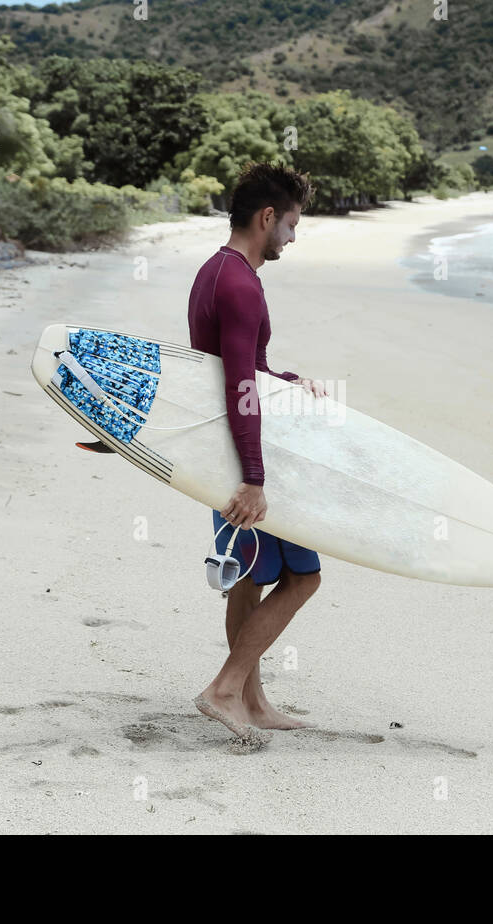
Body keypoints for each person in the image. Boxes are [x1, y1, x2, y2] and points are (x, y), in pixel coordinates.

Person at [186, 161, 327, 743]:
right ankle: (225, 690)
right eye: (291, 225)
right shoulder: (239, 283)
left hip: (236, 445)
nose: (292, 239)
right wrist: (253, 478)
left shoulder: (219, 272)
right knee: (293, 578)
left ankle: (251, 697)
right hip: (242, 453)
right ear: (267, 217)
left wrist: (287, 379)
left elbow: (248, 371)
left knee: (261, 578)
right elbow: (237, 387)